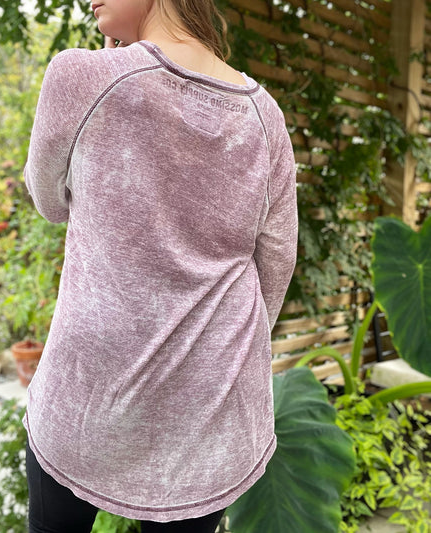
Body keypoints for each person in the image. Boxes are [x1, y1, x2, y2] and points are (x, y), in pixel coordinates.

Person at [22, 0, 298, 532]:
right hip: (208, 412)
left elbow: (49, 201)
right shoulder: (265, 116)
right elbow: (277, 258)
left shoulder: (82, 77)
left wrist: (110, 66)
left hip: (87, 400)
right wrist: (222, 356)